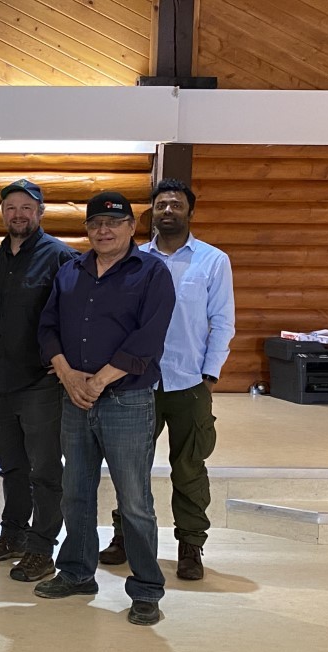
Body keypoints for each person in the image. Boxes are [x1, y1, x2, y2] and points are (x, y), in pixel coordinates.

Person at [33, 191, 176, 627]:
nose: (104, 230)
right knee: (75, 490)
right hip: (75, 398)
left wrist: (96, 381)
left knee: (134, 500)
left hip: (126, 400)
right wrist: (69, 376)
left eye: (113, 223)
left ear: (132, 228)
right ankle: (77, 572)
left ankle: (147, 589)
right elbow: (48, 327)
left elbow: (147, 339)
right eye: (96, 223)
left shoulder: (153, 273)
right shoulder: (71, 270)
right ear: (87, 229)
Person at [99, 179, 235, 580]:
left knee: (189, 467)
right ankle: (125, 537)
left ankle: (191, 545)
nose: (168, 211)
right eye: (161, 205)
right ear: (151, 213)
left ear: (190, 211)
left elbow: (222, 320)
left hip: (188, 382)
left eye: (176, 204)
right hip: (135, 383)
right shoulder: (132, 258)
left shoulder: (212, 260)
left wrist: (209, 375)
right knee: (129, 467)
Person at [0, 180, 78, 582]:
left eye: (26, 207)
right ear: (3, 213)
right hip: (2, 382)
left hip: (41, 384)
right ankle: (13, 536)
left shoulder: (61, 258)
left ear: (40, 211)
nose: (18, 215)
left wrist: (67, 362)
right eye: (10, 208)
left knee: (45, 470)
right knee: (12, 467)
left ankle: (41, 549)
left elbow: (77, 313)